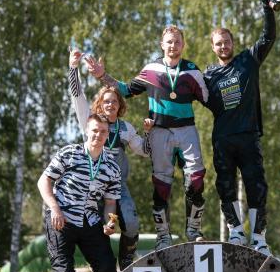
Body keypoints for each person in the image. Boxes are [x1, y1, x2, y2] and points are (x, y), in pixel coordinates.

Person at [85, 26, 209, 250]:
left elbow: (210, 98)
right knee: (162, 185)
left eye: (177, 42)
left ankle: (193, 230)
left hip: (186, 130)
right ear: (162, 44)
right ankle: (163, 236)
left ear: (183, 44)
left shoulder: (192, 70)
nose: (173, 45)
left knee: (197, 179)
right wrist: (102, 76)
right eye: (169, 42)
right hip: (159, 131)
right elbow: (126, 89)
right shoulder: (151, 69)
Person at [202, 0, 277, 255]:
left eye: (226, 41)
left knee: (256, 184)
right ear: (213, 47)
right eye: (218, 43)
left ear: (232, 43)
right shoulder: (207, 75)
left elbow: (268, 36)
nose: (223, 46)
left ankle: (258, 237)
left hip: (248, 135)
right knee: (225, 185)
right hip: (223, 139)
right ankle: (236, 232)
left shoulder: (248, 60)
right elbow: (183, 89)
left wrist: (267, 6)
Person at [68, 48, 152, 270]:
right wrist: (73, 68)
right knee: (95, 230)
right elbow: (77, 97)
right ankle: (100, 267)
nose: (110, 105)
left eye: (114, 101)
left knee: (132, 224)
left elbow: (144, 150)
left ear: (120, 105)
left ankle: (126, 260)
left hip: (118, 186)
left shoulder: (125, 128)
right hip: (90, 186)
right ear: (100, 104)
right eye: (106, 101)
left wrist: (150, 132)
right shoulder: (90, 121)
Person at [37, 114, 121, 272]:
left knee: (107, 267)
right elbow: (43, 181)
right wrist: (54, 208)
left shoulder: (112, 166)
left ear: (108, 134)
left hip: (90, 220)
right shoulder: (69, 153)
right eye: (94, 130)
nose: (98, 135)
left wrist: (110, 222)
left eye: (103, 131)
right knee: (64, 270)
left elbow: (110, 201)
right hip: (61, 217)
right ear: (87, 130)